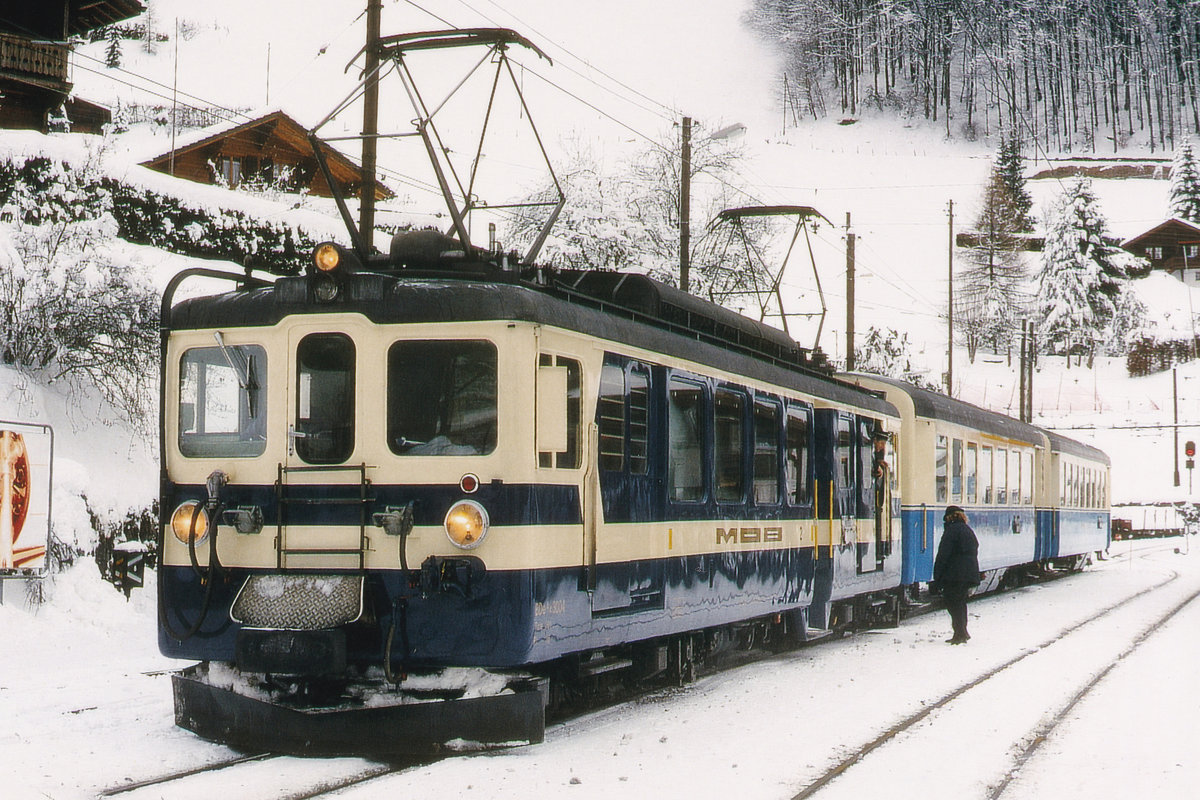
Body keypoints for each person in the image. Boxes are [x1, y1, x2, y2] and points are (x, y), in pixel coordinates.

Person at [931, 505, 980, 644]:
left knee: (953, 604)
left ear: (949, 517)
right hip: (967, 573)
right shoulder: (967, 530)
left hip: (954, 575)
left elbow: (943, 555)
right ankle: (962, 632)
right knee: (960, 603)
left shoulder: (951, 531)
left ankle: (960, 634)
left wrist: (937, 576)